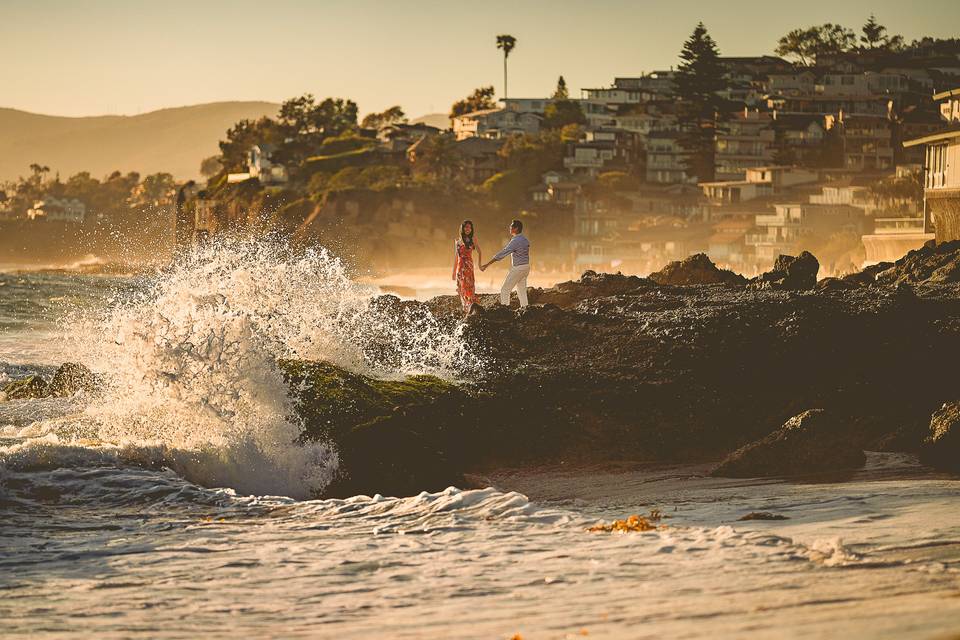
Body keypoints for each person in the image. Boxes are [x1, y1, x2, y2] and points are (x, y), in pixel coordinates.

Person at [480, 219, 530, 308]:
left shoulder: (515, 241)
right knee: (521, 291)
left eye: (511, 226)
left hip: (518, 268)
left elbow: (503, 253)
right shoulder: (525, 239)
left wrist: (488, 264)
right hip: (526, 267)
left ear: (516, 228)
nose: (509, 228)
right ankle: (525, 309)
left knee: (505, 290)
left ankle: (505, 310)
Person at [452, 219, 482, 316]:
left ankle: (470, 306)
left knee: (468, 286)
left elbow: (479, 251)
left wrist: (480, 265)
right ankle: (466, 308)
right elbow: (456, 257)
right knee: (461, 288)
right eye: (466, 227)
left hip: (468, 266)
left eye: (469, 227)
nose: (468, 229)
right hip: (460, 267)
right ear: (462, 228)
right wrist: (453, 272)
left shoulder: (473, 239)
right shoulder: (457, 241)